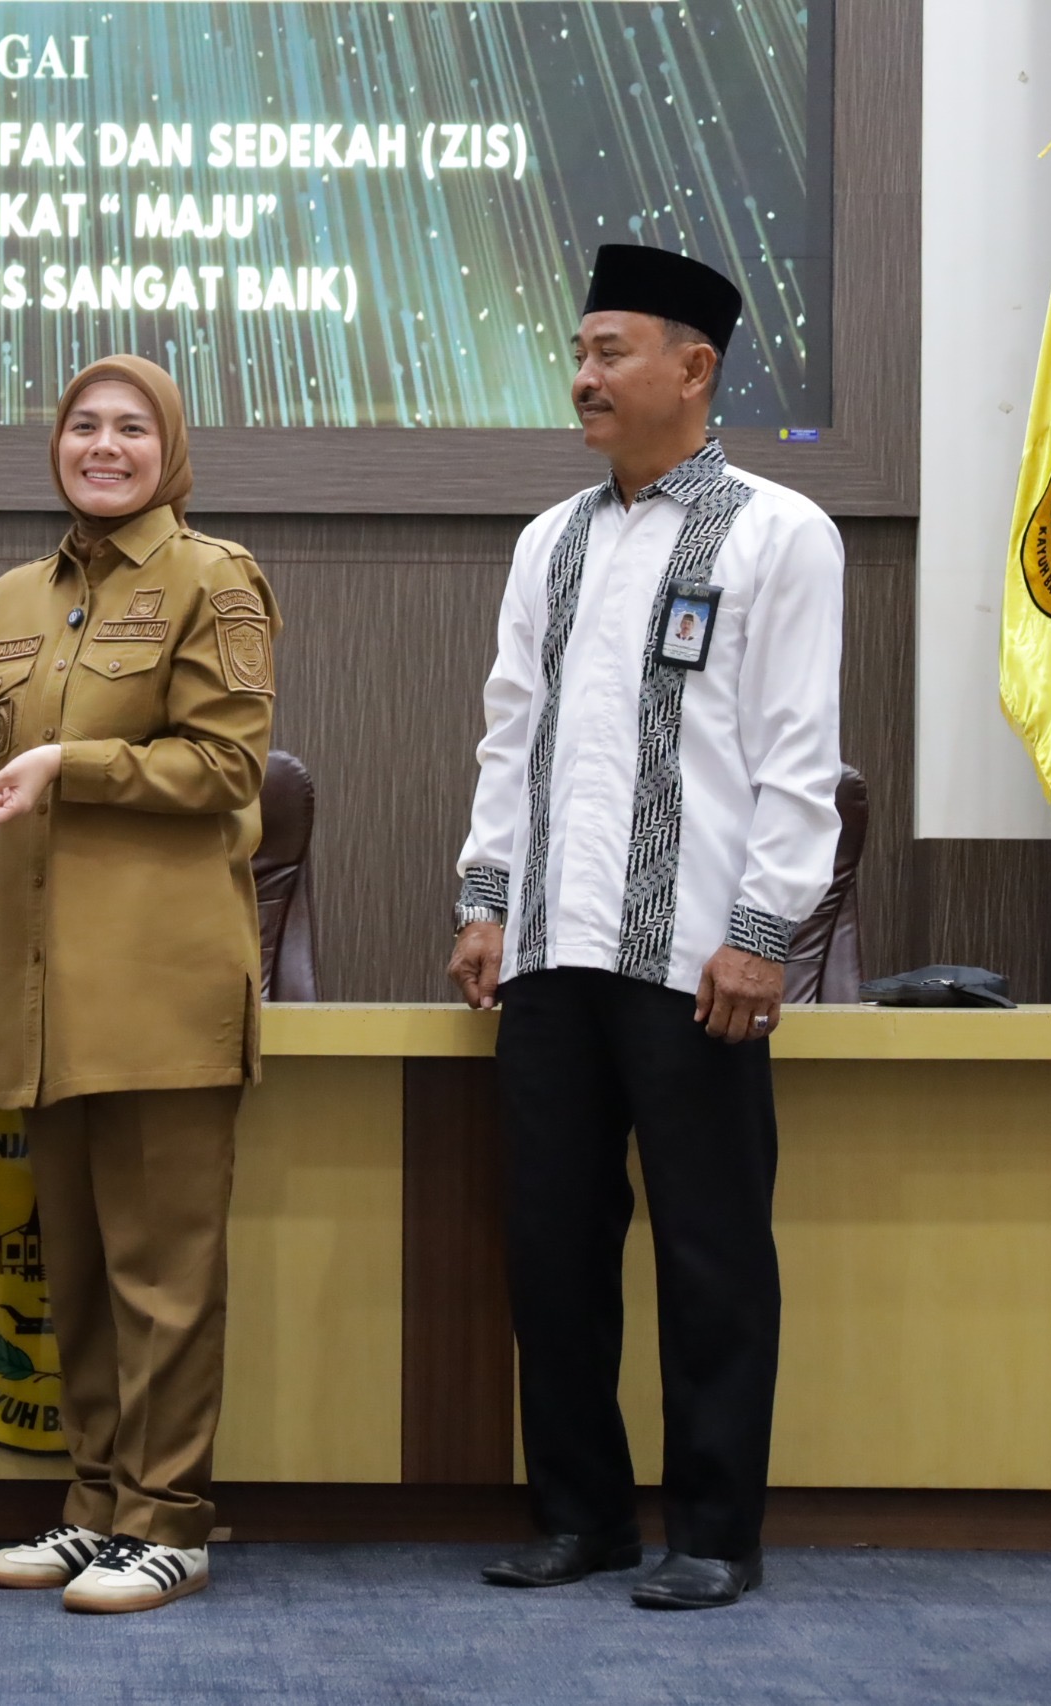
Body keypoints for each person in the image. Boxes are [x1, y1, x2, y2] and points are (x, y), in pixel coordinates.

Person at [448, 245, 844, 1611]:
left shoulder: (780, 532)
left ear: (695, 367)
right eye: (578, 351)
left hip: (695, 960)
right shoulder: (549, 541)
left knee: (711, 1250)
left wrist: (763, 929)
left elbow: (798, 753)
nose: (583, 375)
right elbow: (513, 735)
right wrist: (486, 898)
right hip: (552, 952)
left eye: (610, 351)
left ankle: (716, 1532)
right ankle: (585, 1518)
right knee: (552, 1245)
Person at [0, 355, 278, 1614]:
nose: (102, 444)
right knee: (77, 1271)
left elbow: (224, 765)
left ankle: (169, 1519)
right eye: (81, 424)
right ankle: (94, 1506)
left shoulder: (213, 575)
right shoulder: (13, 594)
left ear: (168, 446)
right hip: (42, 990)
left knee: (163, 1276)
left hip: (159, 984)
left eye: (131, 426)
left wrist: (66, 763)